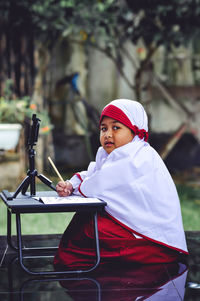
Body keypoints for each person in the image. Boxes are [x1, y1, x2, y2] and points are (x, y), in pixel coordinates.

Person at [54, 99, 188, 270]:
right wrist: (72, 184)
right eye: (104, 128)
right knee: (87, 220)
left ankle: (81, 266)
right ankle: (85, 262)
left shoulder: (134, 154)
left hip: (153, 237)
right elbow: (96, 173)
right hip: (139, 224)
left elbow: (99, 184)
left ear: (134, 131)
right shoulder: (111, 152)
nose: (108, 134)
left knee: (88, 227)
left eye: (116, 127)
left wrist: (77, 187)